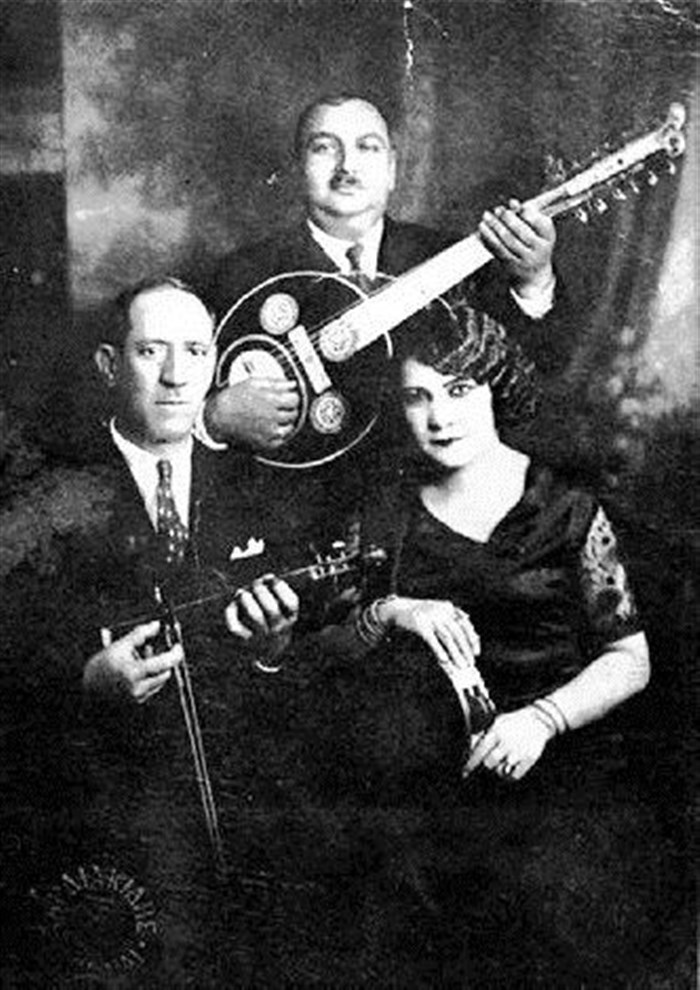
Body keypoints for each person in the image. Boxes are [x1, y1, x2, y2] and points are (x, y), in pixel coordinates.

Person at [301, 297, 674, 985]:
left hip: (556, 790)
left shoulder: (567, 508)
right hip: (425, 803)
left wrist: (541, 721)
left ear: (496, 387)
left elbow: (632, 659)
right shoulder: (382, 512)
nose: (439, 417)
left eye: (459, 390)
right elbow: (325, 650)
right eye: (418, 396)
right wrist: (393, 610)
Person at [0, 278, 309, 986]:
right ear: (110, 366)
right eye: (151, 351)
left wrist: (273, 651)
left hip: (238, 828)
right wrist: (83, 681)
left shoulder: (261, 486)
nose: (176, 376)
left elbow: (299, 681)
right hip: (101, 832)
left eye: (196, 351)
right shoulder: (40, 494)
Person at [201, 91, 571, 457]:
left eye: (367, 147)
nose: (347, 167)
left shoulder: (454, 259)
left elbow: (545, 372)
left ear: (392, 170)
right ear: (298, 168)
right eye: (324, 148)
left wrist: (533, 281)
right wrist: (214, 418)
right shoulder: (243, 275)